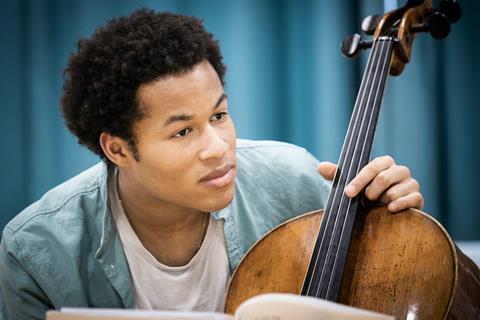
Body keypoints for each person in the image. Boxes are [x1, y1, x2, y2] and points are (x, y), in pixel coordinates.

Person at [0, 8, 423, 319]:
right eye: (183, 131)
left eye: (219, 115)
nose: (218, 147)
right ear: (118, 149)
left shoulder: (295, 179)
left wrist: (393, 225)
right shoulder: (35, 249)